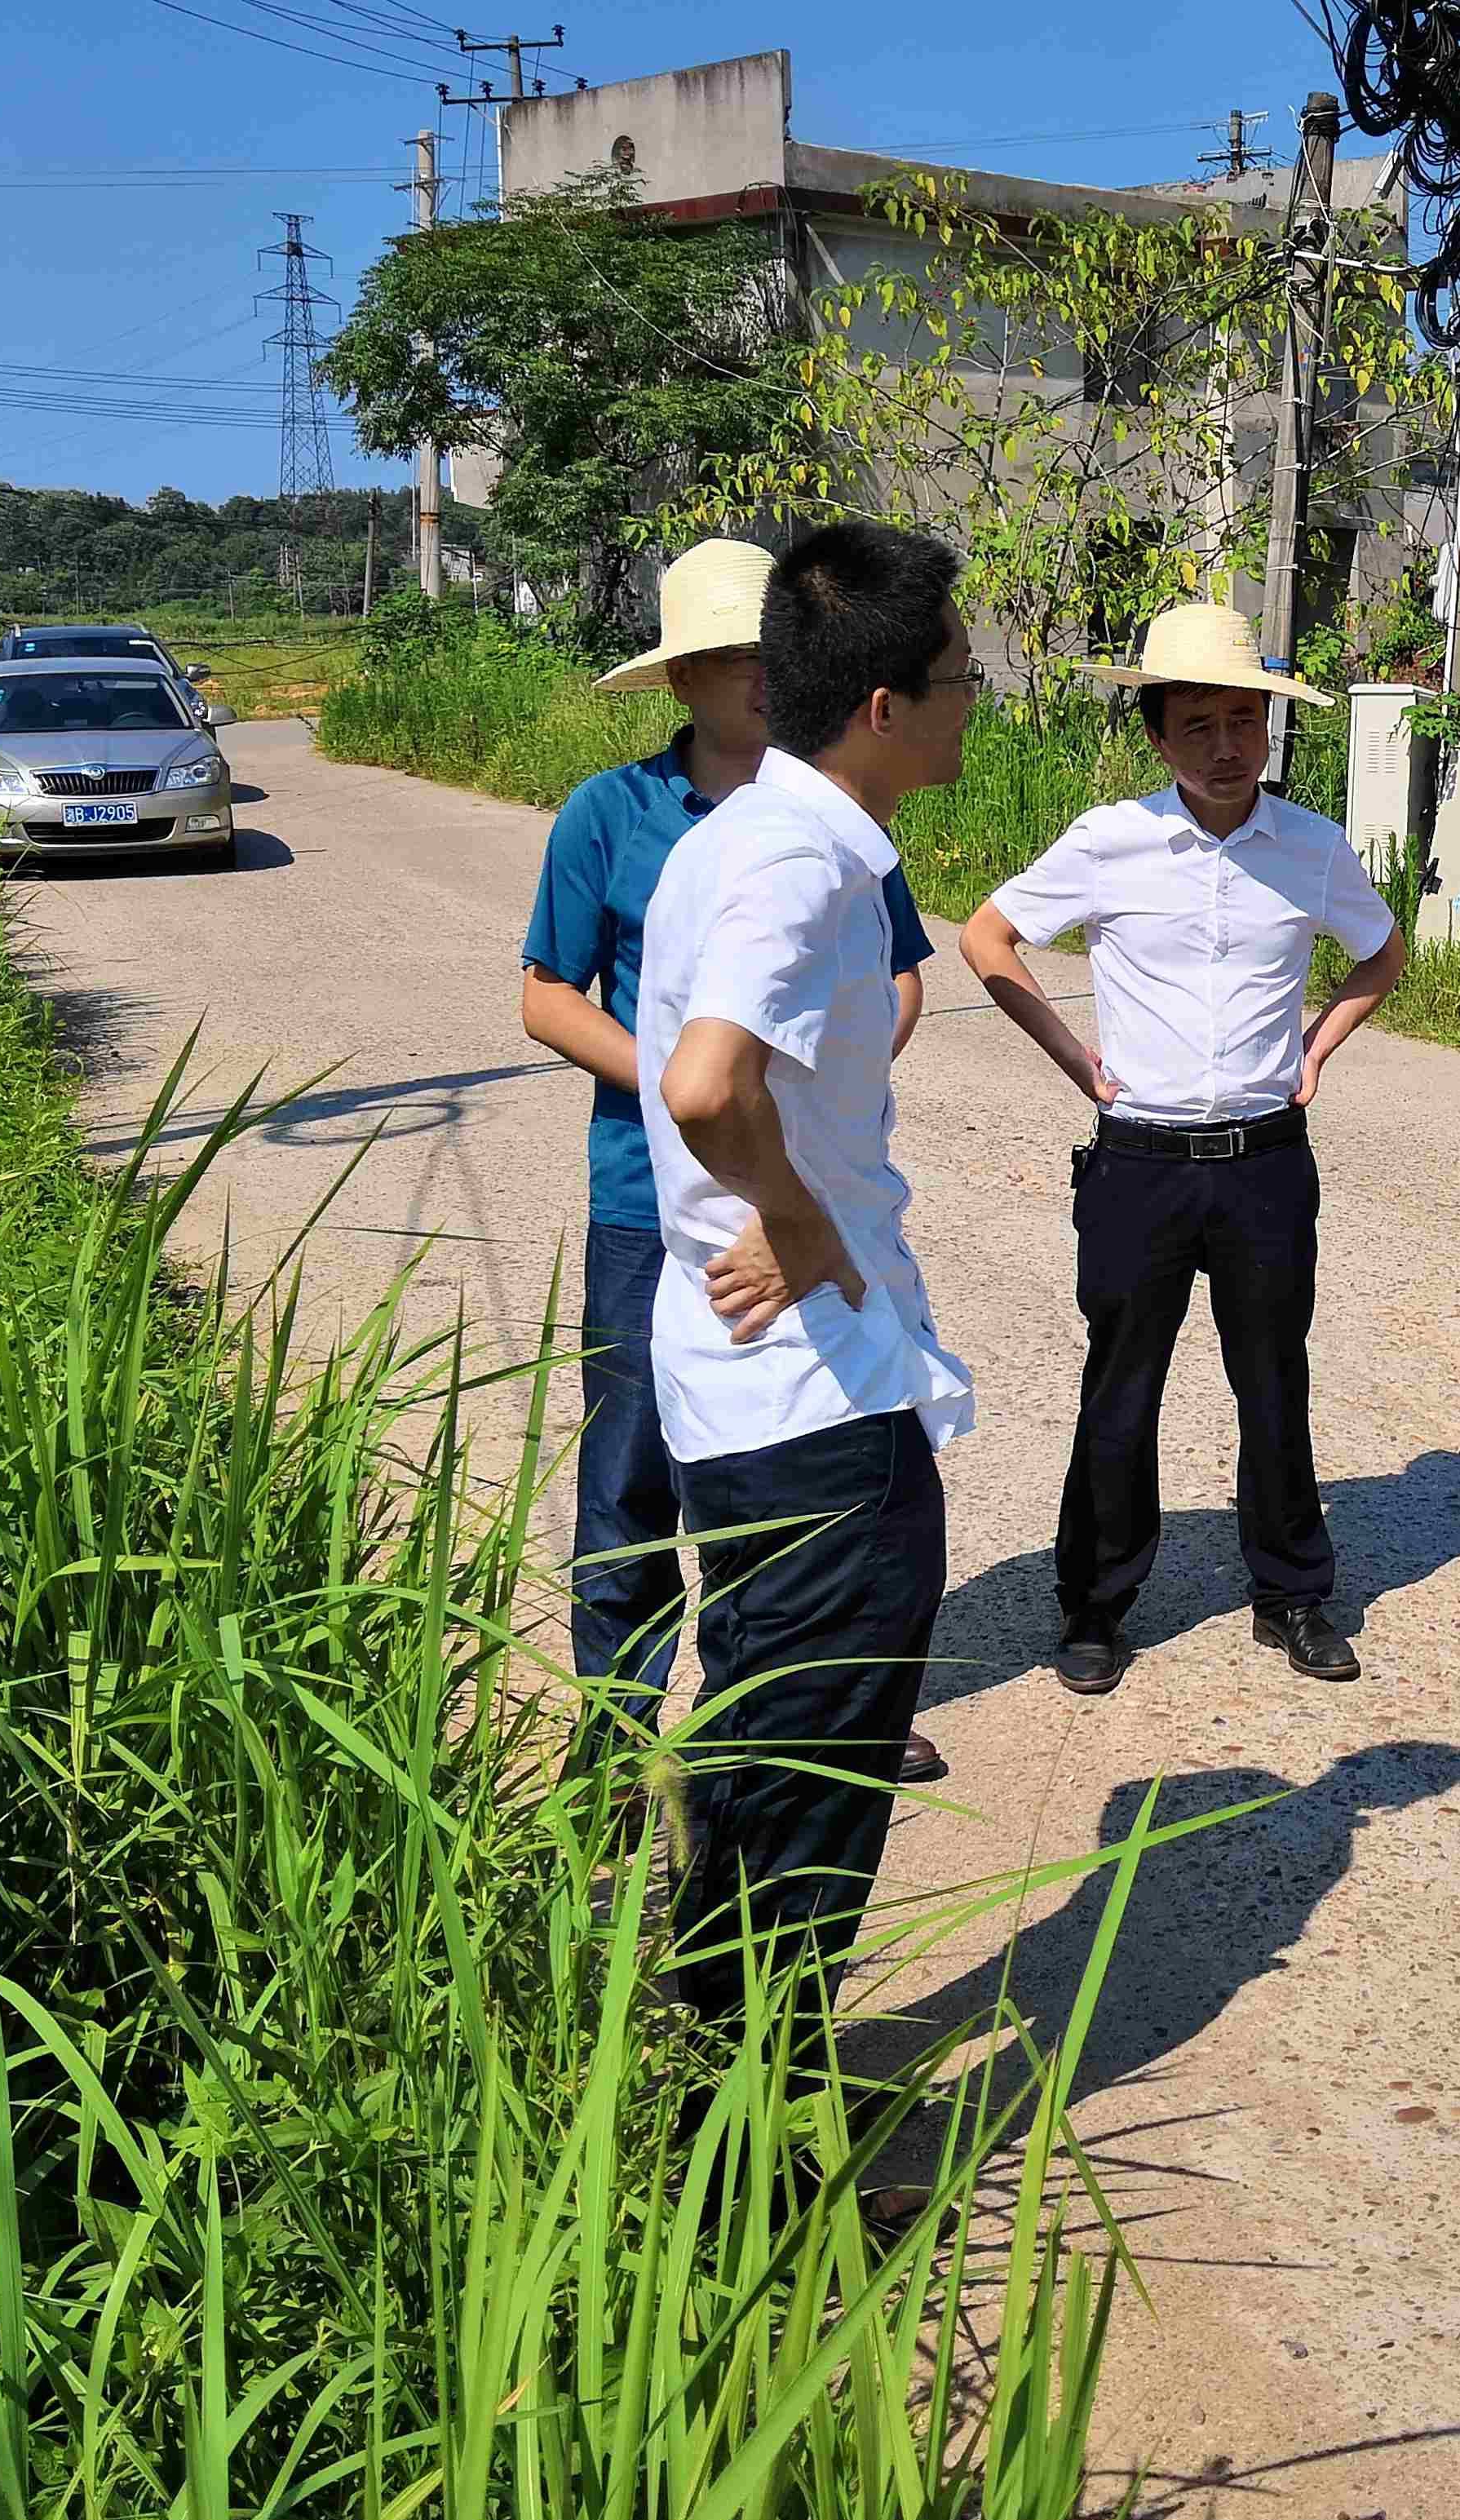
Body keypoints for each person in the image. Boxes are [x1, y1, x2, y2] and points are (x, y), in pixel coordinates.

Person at [520, 539, 941, 1794]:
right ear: (680, 681)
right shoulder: (617, 814)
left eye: (770, 653)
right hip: (656, 1198)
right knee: (638, 1478)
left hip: (776, 1185)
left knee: (781, 1477)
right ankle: (619, 1737)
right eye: (726, 660)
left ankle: (787, 1713)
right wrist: (705, 1096)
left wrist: (803, 1116)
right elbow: (549, 998)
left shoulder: (832, 820)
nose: (755, 678)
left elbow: (897, 978)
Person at [633, 520, 979, 2037]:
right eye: (963, 676)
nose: (980, 699)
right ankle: (750, 2160)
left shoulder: (748, 834)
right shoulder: (798, 860)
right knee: (808, 1776)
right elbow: (712, 1084)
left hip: (767, 1383)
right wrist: (798, 1214)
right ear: (885, 706)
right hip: (801, 1395)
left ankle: (713, 2086)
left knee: (768, 1747)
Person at [961, 602, 1406, 1694]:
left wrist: (1318, 1046)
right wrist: (1075, 1057)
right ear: (1158, 736)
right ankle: (1096, 1607)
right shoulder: (1109, 840)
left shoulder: (1309, 846)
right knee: (1121, 1387)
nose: (1225, 746)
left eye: (1244, 721)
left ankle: (1293, 1592)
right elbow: (986, 935)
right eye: (1198, 724)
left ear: (1269, 729)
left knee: (1274, 1381)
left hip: (1264, 1160)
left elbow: (1382, 952)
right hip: (1139, 1161)